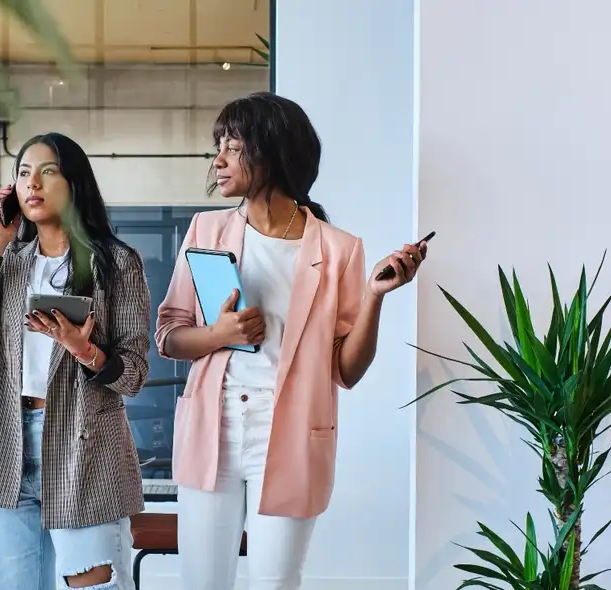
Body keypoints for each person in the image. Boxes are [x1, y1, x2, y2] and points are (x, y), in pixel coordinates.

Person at [155, 92, 428, 590]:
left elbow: (346, 370)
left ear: (272, 151)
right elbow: (169, 338)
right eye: (219, 145)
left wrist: (374, 297)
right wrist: (220, 334)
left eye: (232, 146)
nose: (217, 159)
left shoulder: (339, 249)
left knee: (276, 582)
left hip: (290, 433)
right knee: (201, 581)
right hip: (211, 424)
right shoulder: (206, 229)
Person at [0, 132, 150, 590]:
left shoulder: (115, 264)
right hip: (6, 445)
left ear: (74, 183)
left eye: (48, 171)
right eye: (23, 173)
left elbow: (134, 374)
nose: (32, 183)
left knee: (94, 586)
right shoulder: (8, 260)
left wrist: (84, 349)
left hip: (85, 449)